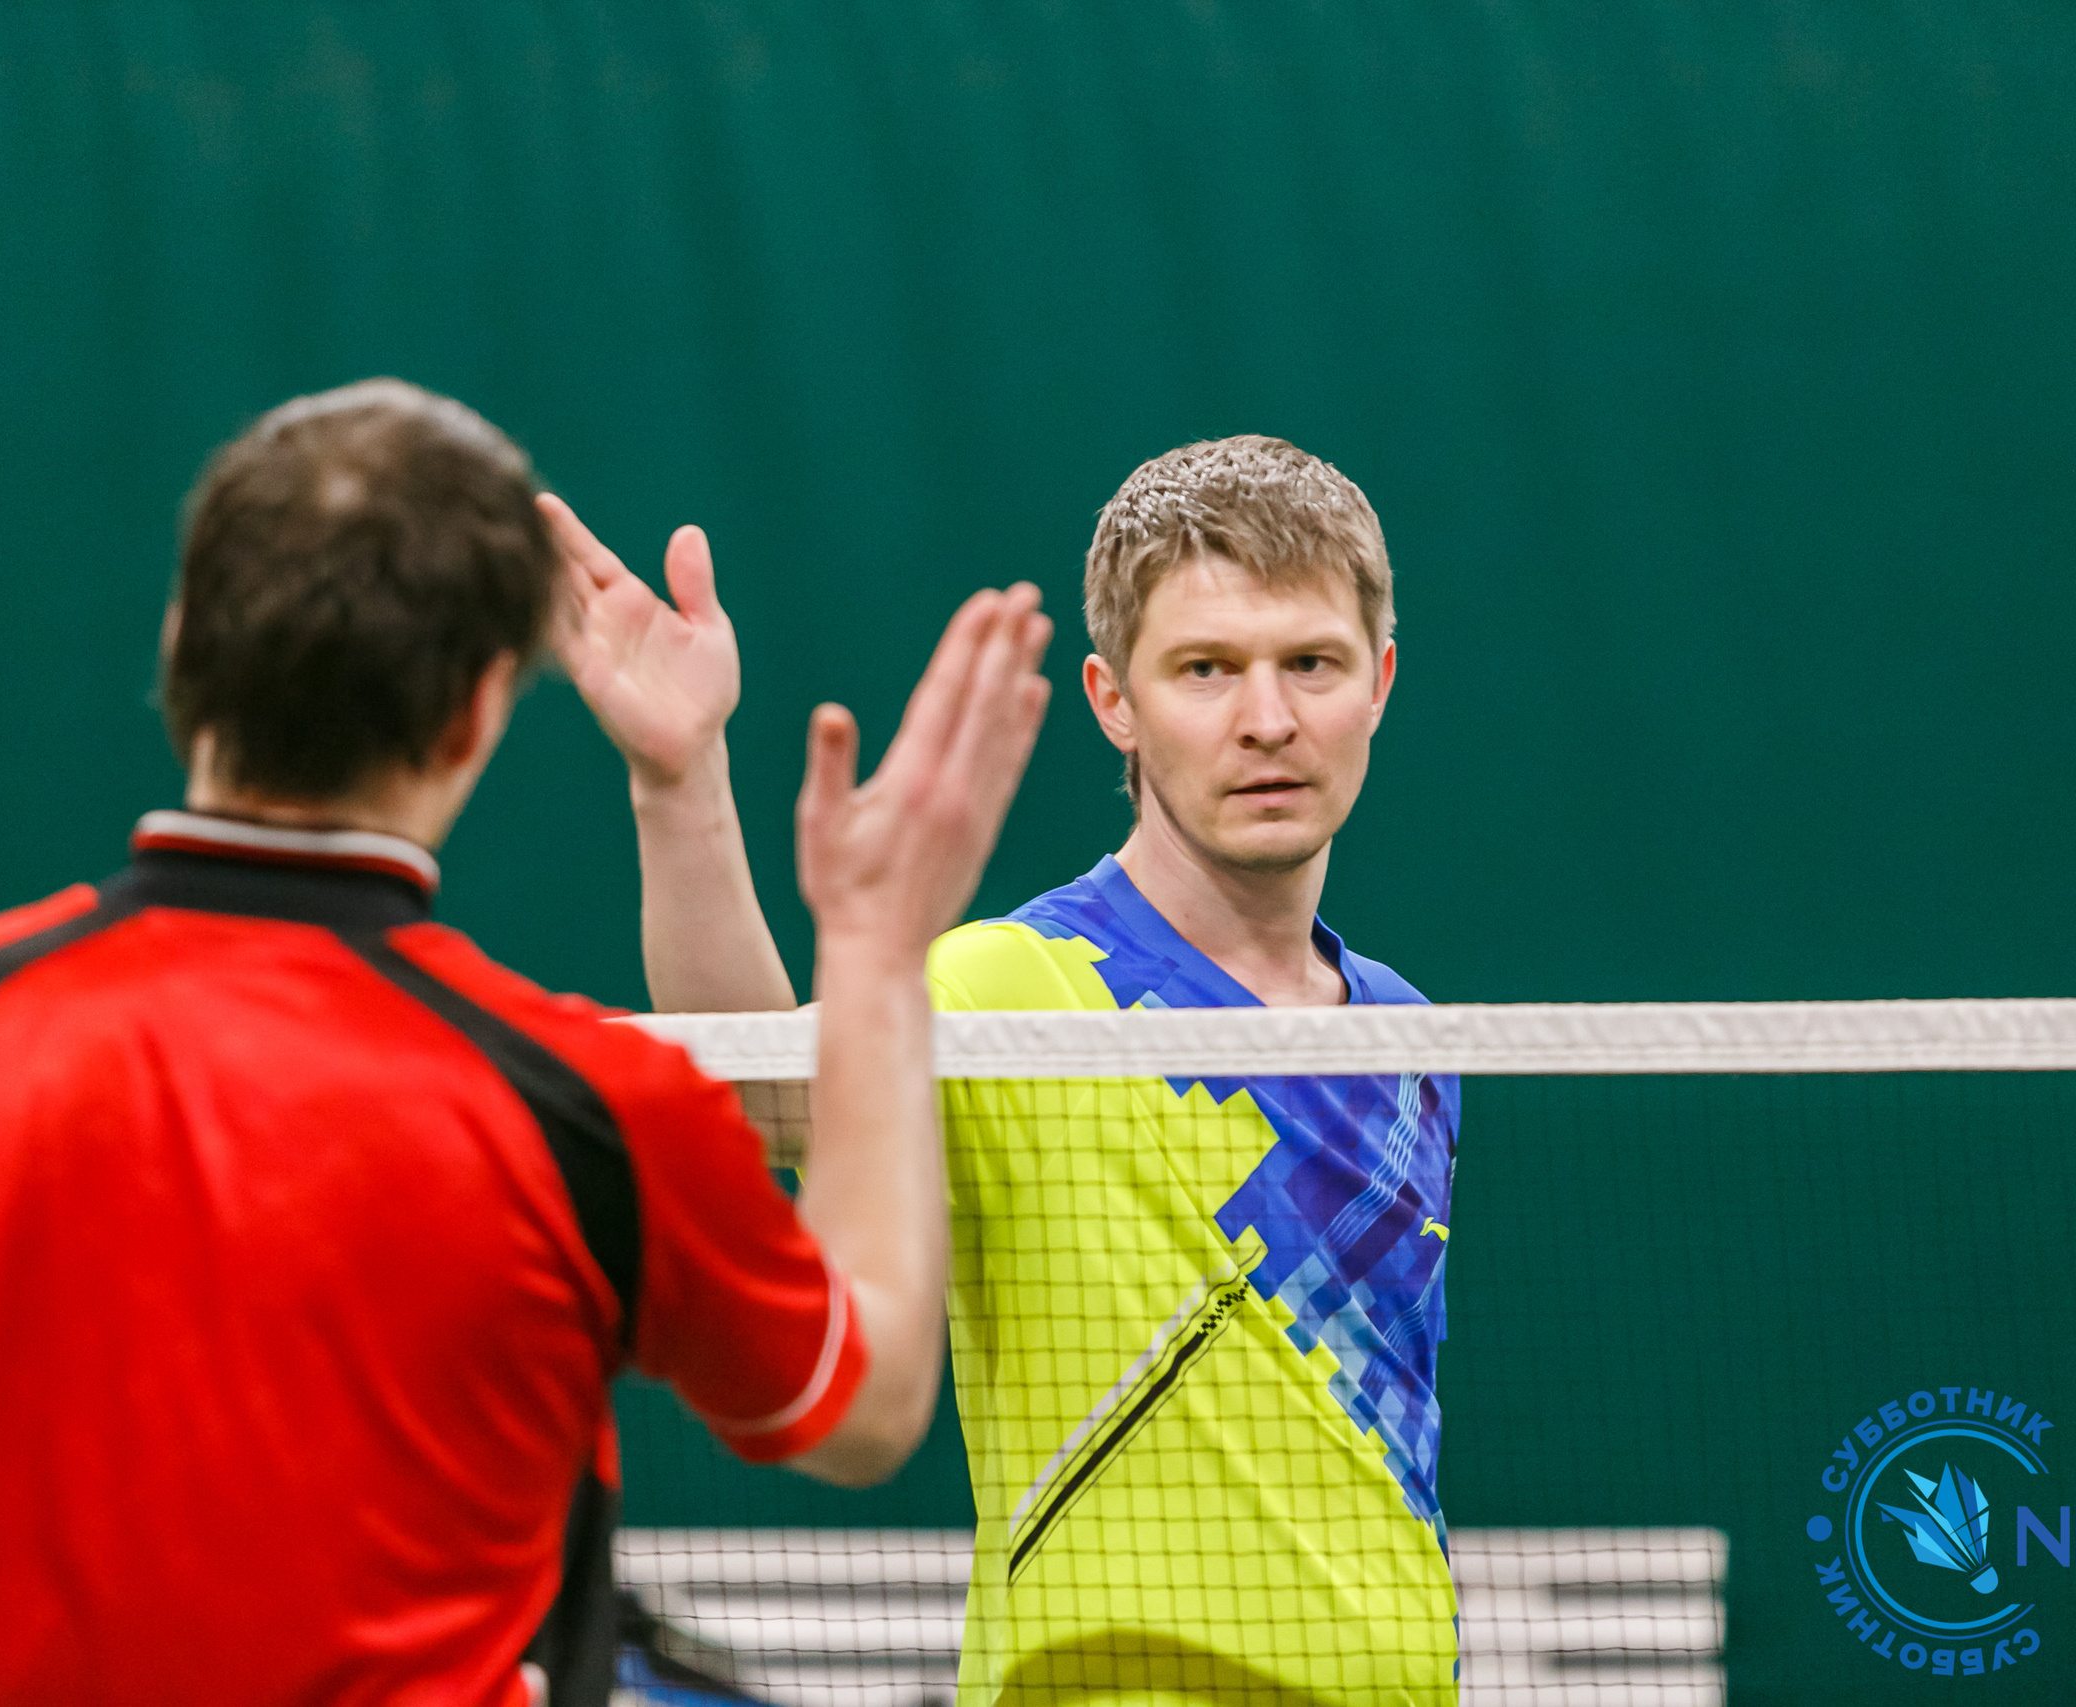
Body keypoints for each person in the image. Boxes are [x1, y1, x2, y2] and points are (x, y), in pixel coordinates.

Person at [0, 379, 1053, 1707]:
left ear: (180, 648)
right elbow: (862, 1404)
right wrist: (872, 956)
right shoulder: (590, 1100)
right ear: (475, 713)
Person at [561, 435, 1459, 1704]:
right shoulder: (1012, 987)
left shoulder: (1411, 1038)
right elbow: (762, 1093)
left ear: (1377, 679)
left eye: (1307, 664)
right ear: (1113, 700)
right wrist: (678, 780)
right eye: (1205, 670)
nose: (1268, 719)